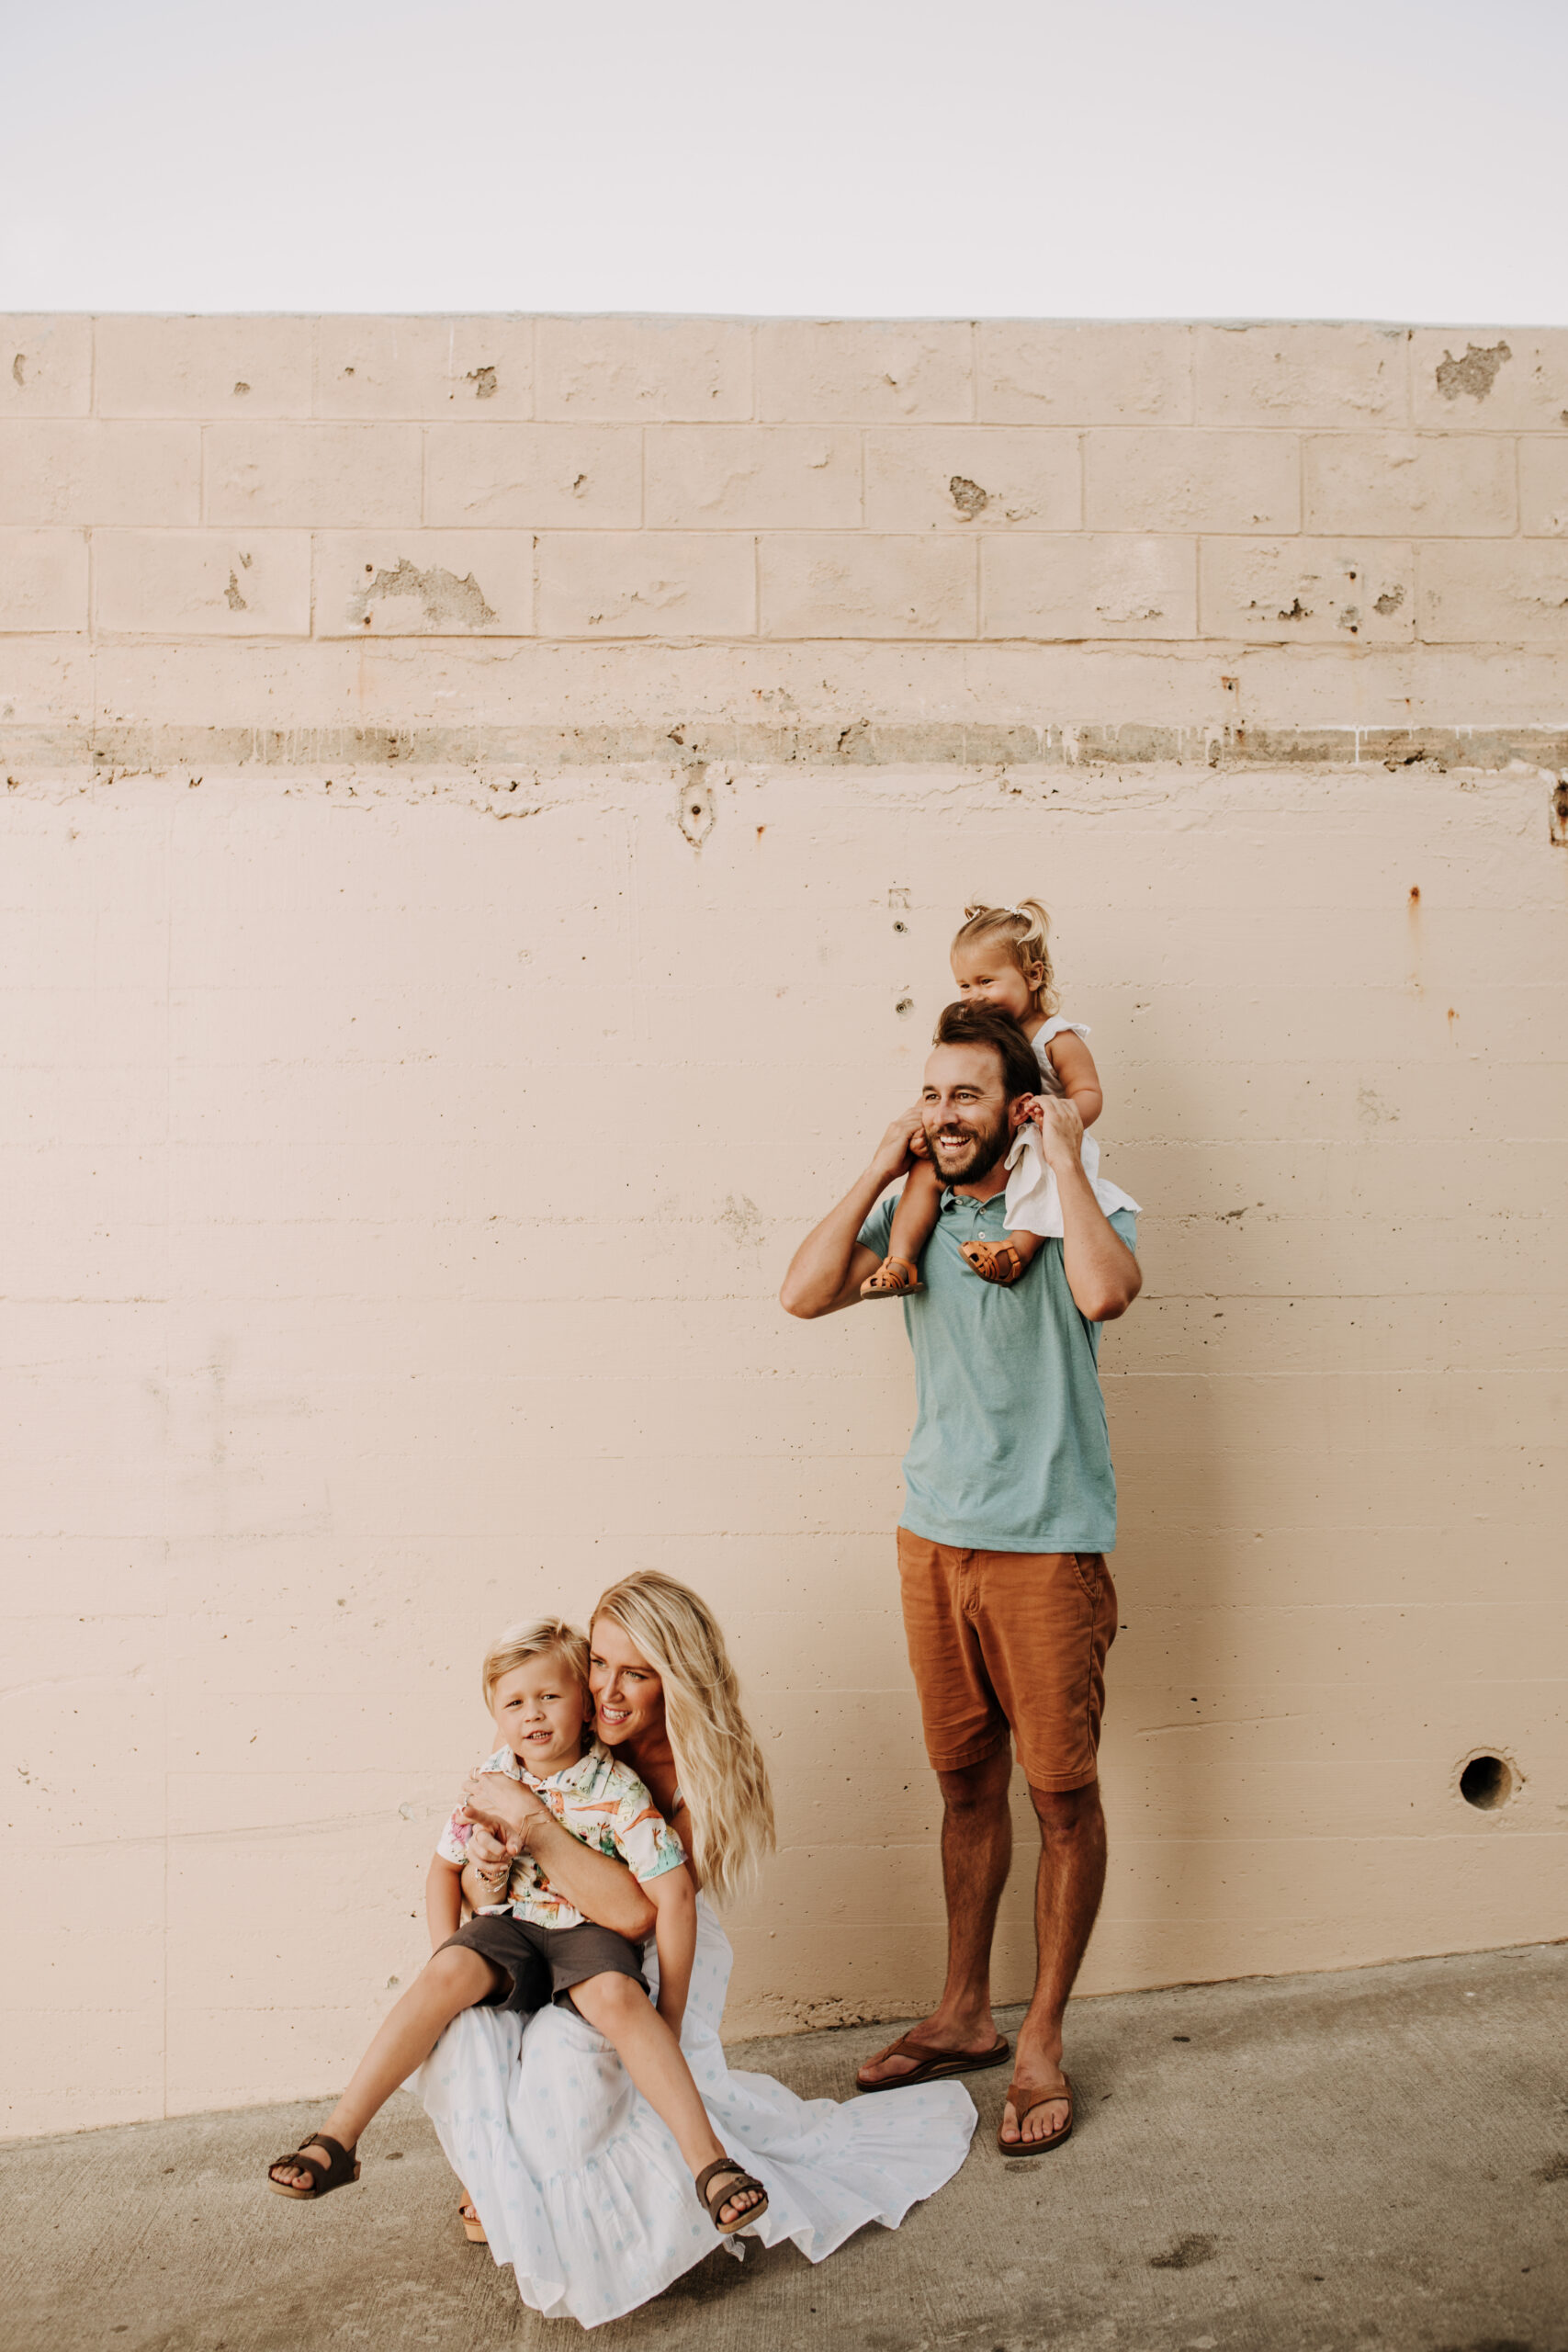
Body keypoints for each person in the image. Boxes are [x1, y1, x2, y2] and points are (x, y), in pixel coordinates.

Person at [416, 1571, 978, 2326]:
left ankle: (640, 2190)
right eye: (599, 1664)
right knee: (471, 2026)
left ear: (674, 1681)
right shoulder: (553, 1716)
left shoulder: (697, 1782)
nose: (608, 1692)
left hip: (643, 1947)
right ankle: (497, 2174)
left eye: (637, 1674)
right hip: (538, 1923)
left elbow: (641, 1917)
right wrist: (475, 1913)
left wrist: (667, 2027)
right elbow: (478, 1855)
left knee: (570, 2071)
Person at [780, 1000, 1141, 2156]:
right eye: (930, 1095)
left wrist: (1066, 1158)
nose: (943, 1115)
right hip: (933, 1539)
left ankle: (1040, 2036)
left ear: (1016, 1104)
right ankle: (962, 2012)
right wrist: (880, 1162)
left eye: (966, 1095)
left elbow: (1104, 1292)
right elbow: (801, 1291)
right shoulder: (915, 1217)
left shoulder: (1072, 1202)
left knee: (1059, 1797)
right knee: (964, 1786)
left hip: (1047, 1546)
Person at [265, 1616, 769, 2239]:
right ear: (494, 1714)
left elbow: (670, 1897)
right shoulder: (492, 1778)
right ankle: (338, 2137)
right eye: (514, 1703)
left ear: (584, 1710)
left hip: (589, 1932)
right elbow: (440, 1873)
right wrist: (449, 1950)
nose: (533, 1715)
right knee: (445, 1972)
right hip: (514, 1927)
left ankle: (709, 2166)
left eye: (550, 1697)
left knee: (615, 1996)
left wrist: (670, 2012)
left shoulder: (618, 1789)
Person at [862, 899, 1127, 1297]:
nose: (973, 997)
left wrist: (1059, 1117)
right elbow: (948, 1088)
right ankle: (900, 1261)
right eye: (964, 986)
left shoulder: (1056, 1038)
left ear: (1033, 976)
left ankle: (1016, 1251)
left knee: (1046, 1181)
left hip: (1042, 1136)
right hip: (997, 1136)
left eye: (986, 982)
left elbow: (1088, 1093)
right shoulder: (979, 1040)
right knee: (924, 1172)